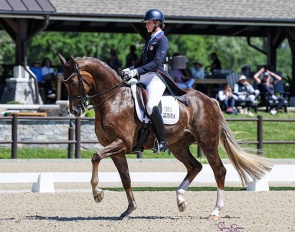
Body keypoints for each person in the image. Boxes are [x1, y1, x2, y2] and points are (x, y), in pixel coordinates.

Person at [122, 9, 170, 153]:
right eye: (146, 23)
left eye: (148, 23)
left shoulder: (163, 40)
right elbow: (141, 62)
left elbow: (156, 63)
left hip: (156, 78)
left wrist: (136, 72)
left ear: (157, 23)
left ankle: (162, 141)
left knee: (150, 106)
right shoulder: (150, 40)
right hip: (144, 78)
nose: (146, 25)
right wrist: (129, 69)